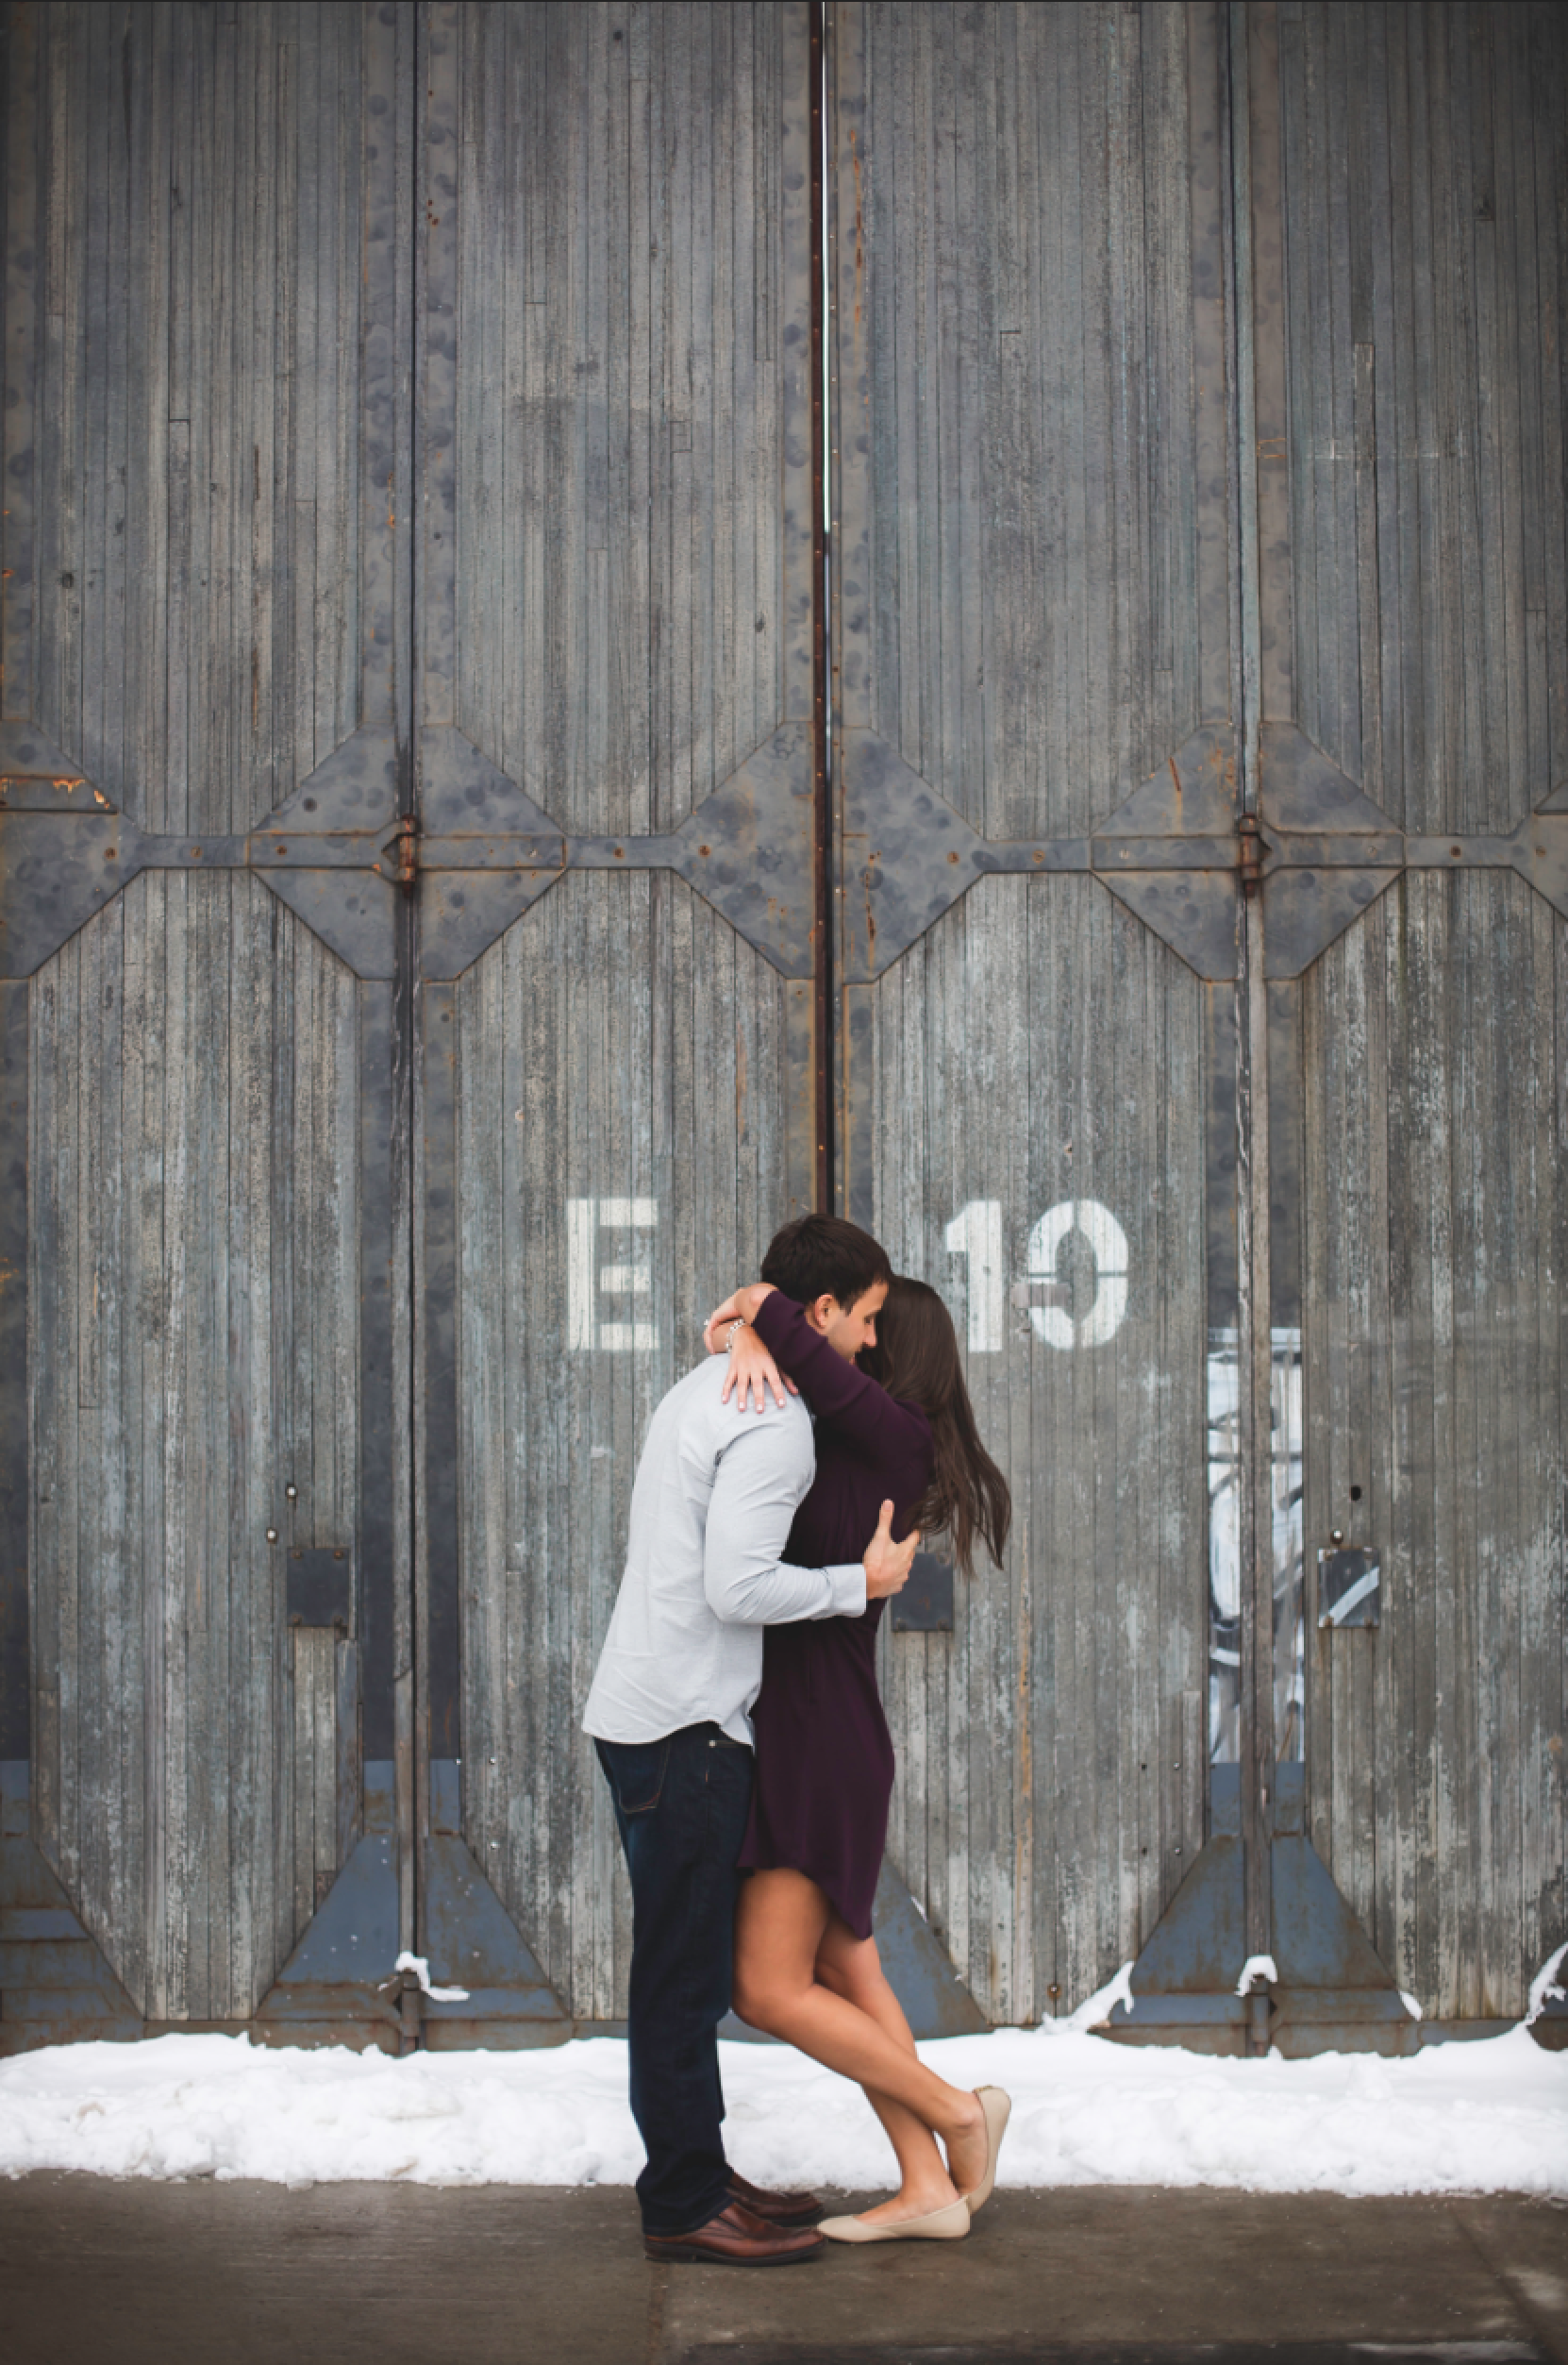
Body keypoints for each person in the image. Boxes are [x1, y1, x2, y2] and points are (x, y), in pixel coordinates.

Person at [581, 1214, 919, 2267]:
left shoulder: (709, 1383)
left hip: (651, 1710)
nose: (869, 1343)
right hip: (688, 1725)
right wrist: (854, 1584)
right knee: (681, 1979)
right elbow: (738, 1586)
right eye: (864, 1319)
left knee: (679, 1968)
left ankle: (698, 2171)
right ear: (817, 1313)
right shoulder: (772, 1417)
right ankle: (683, 2203)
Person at [703, 1256, 1013, 2242]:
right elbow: (761, 1358)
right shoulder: (852, 1435)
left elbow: (797, 1343)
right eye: (861, 1322)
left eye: (881, 1328)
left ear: (901, 1353)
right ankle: (926, 2183)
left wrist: (759, 1304)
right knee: (850, 1974)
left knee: (763, 1986)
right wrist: (748, 1334)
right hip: (814, 1730)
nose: (863, 1340)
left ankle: (960, 2112)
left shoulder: (894, 1434)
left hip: (819, 1739)